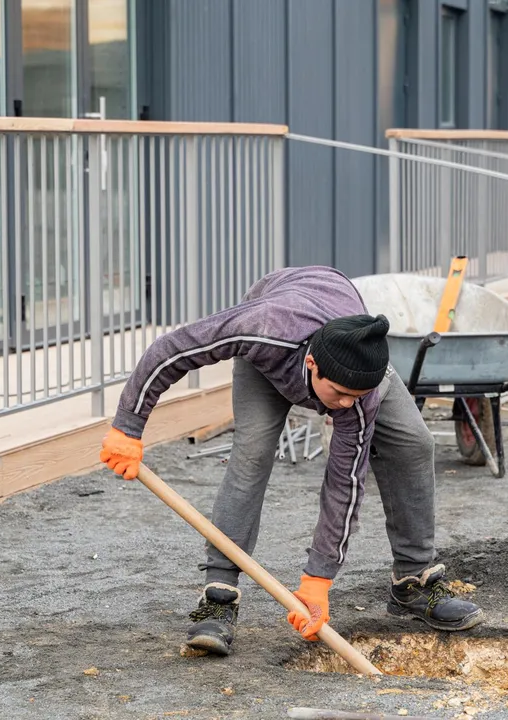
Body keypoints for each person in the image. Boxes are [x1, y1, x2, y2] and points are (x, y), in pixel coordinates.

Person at [99, 265, 484, 656]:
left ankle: (413, 583)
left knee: (415, 443)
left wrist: (318, 579)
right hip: (274, 346)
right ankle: (218, 599)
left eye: (357, 395)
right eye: (340, 394)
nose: (346, 405)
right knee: (252, 454)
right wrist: (128, 426)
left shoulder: (361, 393)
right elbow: (173, 349)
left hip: (340, 326)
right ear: (314, 366)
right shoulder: (262, 327)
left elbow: (345, 483)